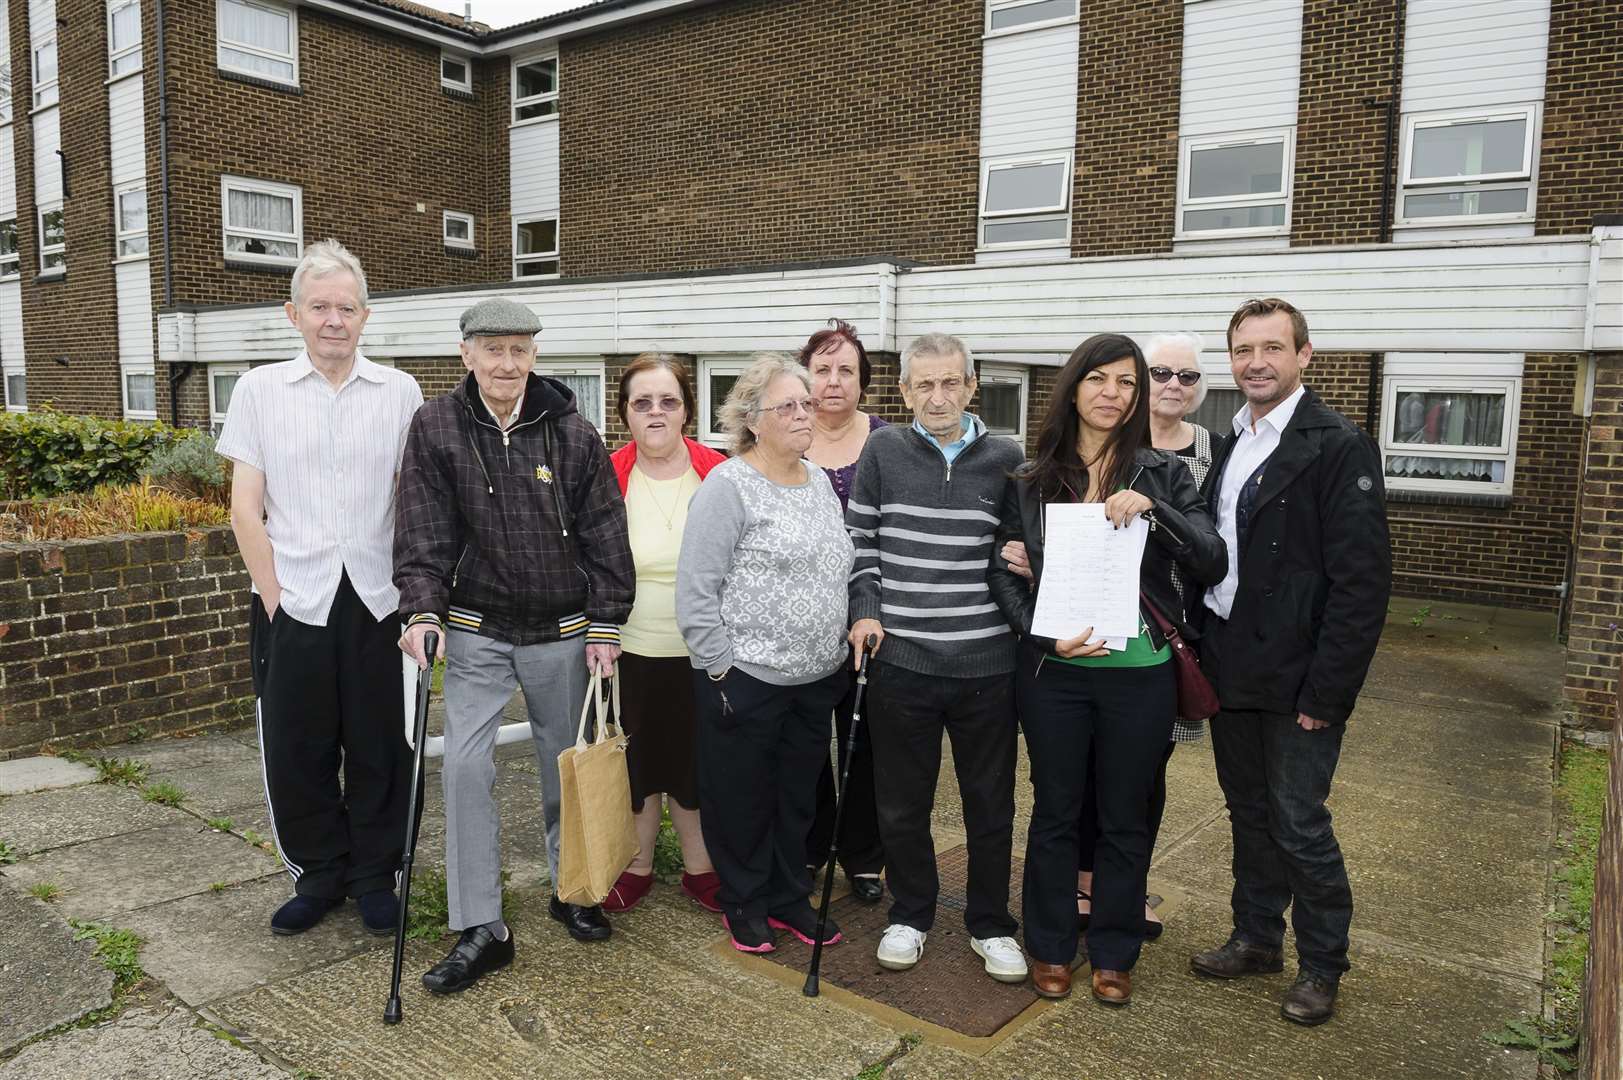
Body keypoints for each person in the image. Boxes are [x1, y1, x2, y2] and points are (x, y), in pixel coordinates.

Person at [394, 298, 634, 994]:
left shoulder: (571, 430)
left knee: (567, 766)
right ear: (466, 353)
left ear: (534, 355)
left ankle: (573, 888)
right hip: (475, 630)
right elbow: (421, 530)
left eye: (520, 350)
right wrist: (420, 609)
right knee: (466, 769)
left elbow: (604, 531)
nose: (507, 364)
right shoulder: (435, 427)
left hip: (561, 632)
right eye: (493, 349)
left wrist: (606, 621)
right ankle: (482, 926)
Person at [989, 333, 1225, 1005]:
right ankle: (1051, 946)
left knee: (1126, 815)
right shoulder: (1032, 481)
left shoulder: (1163, 474)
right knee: (1056, 811)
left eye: (1126, 383)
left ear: (1137, 396)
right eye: (1098, 379)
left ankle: (1114, 952)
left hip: (1139, 671)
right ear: (1074, 387)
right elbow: (999, 574)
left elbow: (1210, 559)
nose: (1111, 394)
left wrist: (1159, 515)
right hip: (1056, 674)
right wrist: (1041, 638)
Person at [1188, 297, 1391, 1027]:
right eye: (1243, 349)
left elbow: (1361, 584)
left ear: (1304, 355)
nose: (1255, 362)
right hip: (1231, 663)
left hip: (1301, 674)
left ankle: (1322, 964)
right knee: (1248, 813)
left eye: (1272, 348)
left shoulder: (1335, 445)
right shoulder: (1232, 440)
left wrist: (1328, 690)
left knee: (1298, 819)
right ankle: (1255, 937)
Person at [217, 240, 423, 939]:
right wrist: (273, 597)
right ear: (293, 314)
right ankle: (318, 873)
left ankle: (374, 875)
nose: (333, 320)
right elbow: (246, 506)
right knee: (297, 747)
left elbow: (414, 500)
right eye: (319, 307)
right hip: (293, 599)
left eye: (346, 307)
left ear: (365, 316)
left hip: (377, 600)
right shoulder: (258, 391)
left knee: (379, 747)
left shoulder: (400, 392)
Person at [847, 332, 1029, 985]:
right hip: (903, 661)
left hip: (987, 664)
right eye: (923, 384)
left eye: (950, 382)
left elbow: (1019, 550)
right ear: (902, 392)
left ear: (971, 386)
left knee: (989, 804)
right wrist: (864, 610)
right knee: (901, 803)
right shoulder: (882, 450)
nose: (938, 396)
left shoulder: (1006, 458)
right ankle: (911, 914)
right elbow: (860, 543)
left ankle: (989, 923)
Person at [675, 353, 855, 954]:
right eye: (789, 406)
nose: (805, 413)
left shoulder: (820, 483)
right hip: (746, 677)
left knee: (796, 798)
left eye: (807, 404)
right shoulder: (728, 486)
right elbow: (696, 589)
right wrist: (721, 668)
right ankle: (745, 901)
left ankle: (788, 898)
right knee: (742, 800)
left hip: (814, 678)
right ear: (753, 419)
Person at [600, 354, 726, 915]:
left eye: (668, 401)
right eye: (642, 402)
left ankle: (702, 868)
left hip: (705, 652)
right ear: (625, 413)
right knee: (638, 766)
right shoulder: (604, 474)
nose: (656, 412)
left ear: (687, 411)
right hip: (628, 648)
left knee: (698, 767)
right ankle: (638, 865)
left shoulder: (720, 472)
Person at [799, 319, 887, 904]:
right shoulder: (785, 436)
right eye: (822, 369)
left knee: (867, 740)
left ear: (863, 381)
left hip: (870, 616)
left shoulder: (889, 443)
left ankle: (864, 856)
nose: (833, 381)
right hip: (801, 619)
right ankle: (809, 846)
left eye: (845, 370)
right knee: (806, 743)